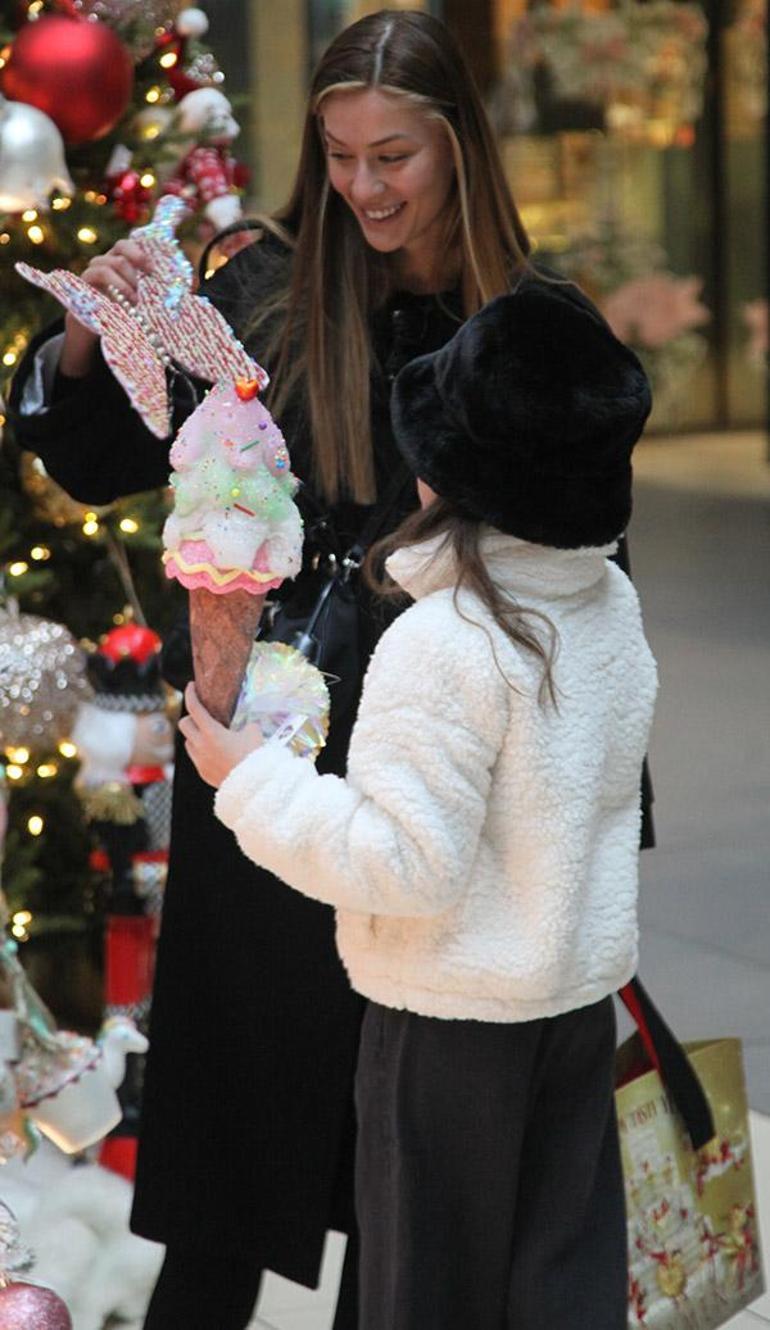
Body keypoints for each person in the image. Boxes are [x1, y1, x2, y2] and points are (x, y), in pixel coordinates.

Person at [8, 9, 651, 1327]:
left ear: (457, 148)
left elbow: (593, 572)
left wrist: (594, 812)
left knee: (418, 1185)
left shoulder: (528, 322)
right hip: (277, 773)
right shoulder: (263, 288)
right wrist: (90, 339)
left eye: (394, 156)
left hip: (448, 776)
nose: (364, 185)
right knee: (234, 1158)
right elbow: (93, 458)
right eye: (342, 154)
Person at [180, 283, 659, 1330]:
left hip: (448, 1028)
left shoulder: (443, 641)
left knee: (428, 1294)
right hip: (571, 1008)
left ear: (444, 467)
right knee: (562, 1292)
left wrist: (247, 779)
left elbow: (404, 863)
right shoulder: (605, 604)